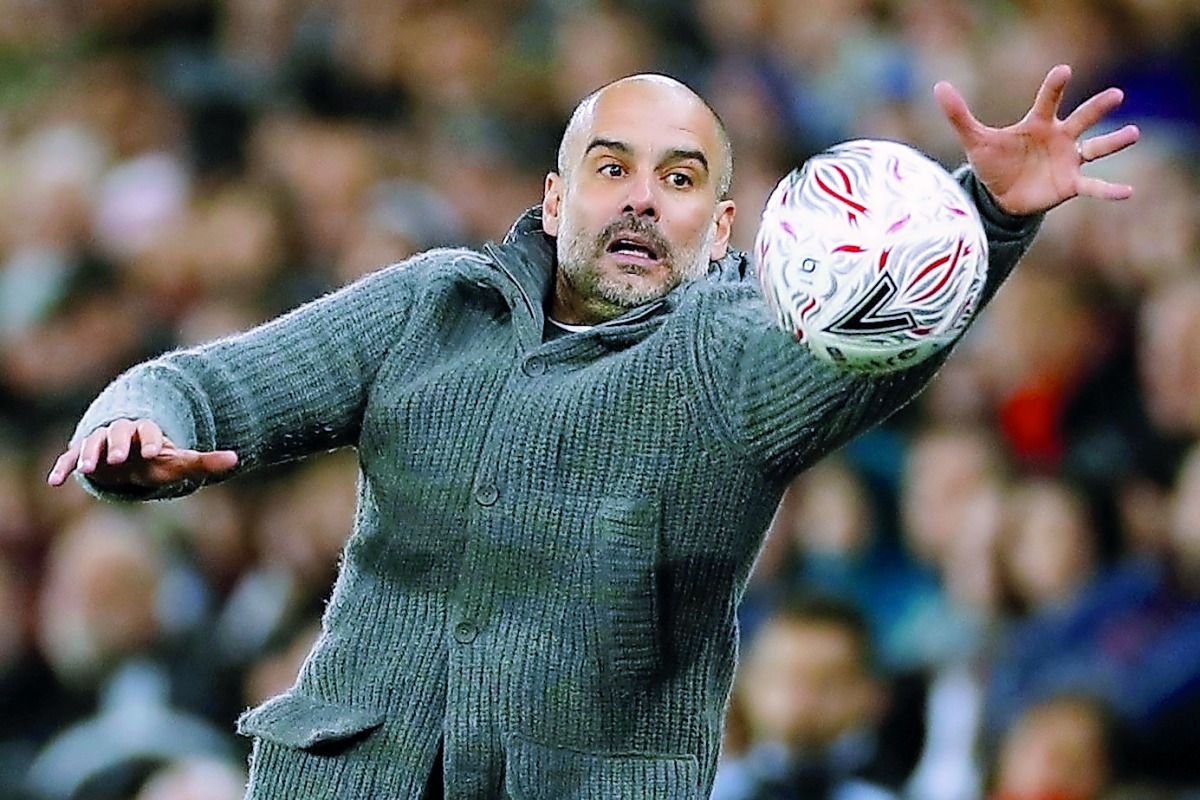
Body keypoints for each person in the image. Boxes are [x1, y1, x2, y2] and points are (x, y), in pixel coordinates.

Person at [47, 66, 1137, 798]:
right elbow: (205, 380)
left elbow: (862, 345)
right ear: (554, 195)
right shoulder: (434, 301)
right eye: (612, 168)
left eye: (679, 180)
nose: (639, 202)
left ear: (722, 228)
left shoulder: (734, 349)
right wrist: (136, 426)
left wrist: (984, 215)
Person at [711, 595, 907, 800]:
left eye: (826, 682)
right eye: (783, 677)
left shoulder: (897, 790)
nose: (801, 698)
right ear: (747, 682)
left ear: (872, 693)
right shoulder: (710, 790)